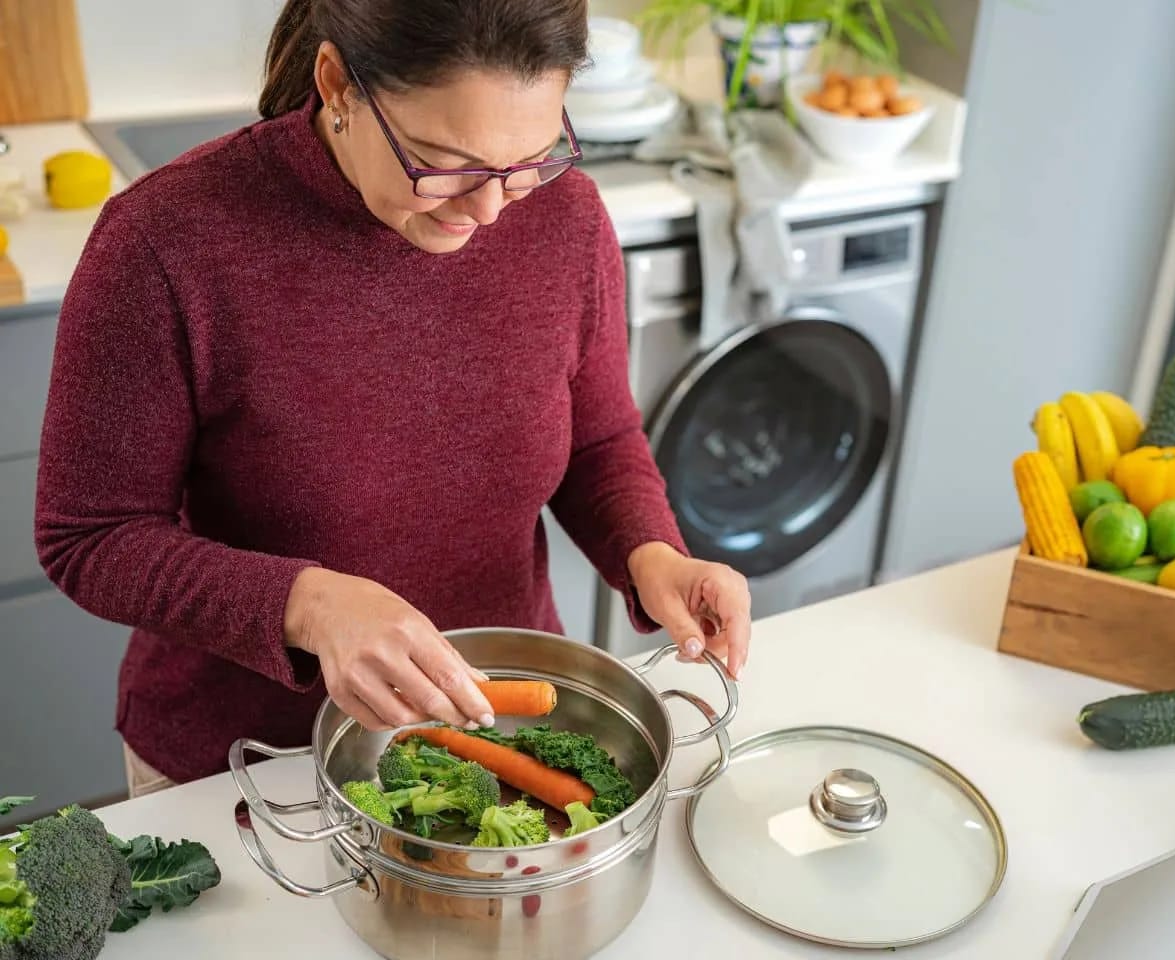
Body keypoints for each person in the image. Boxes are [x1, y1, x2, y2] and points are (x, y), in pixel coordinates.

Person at [34, 0, 751, 799]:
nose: (488, 210)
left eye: (532, 159)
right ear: (338, 84)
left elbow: (598, 438)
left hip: (500, 733)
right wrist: (308, 606)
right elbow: (90, 537)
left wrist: (652, 553)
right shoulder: (166, 241)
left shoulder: (564, 216)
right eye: (443, 163)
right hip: (246, 772)